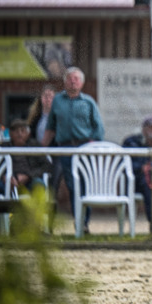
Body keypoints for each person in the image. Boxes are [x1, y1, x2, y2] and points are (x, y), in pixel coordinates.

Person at [43, 67, 105, 233]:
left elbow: (98, 128)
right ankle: (49, 226)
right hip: (63, 148)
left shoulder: (88, 102)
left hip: (84, 148)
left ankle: (82, 224)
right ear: (64, 82)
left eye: (76, 79)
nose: (73, 81)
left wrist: (92, 146)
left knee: (82, 185)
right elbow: (50, 127)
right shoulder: (57, 101)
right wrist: (41, 149)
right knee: (57, 185)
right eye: (70, 78)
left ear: (82, 83)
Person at [5, 118, 53, 193]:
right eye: (16, 131)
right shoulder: (5, 147)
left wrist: (28, 176)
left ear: (28, 134)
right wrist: (4, 177)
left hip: (31, 179)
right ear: (10, 134)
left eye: (22, 131)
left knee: (39, 185)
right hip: (10, 179)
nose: (19, 134)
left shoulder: (34, 146)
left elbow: (47, 165)